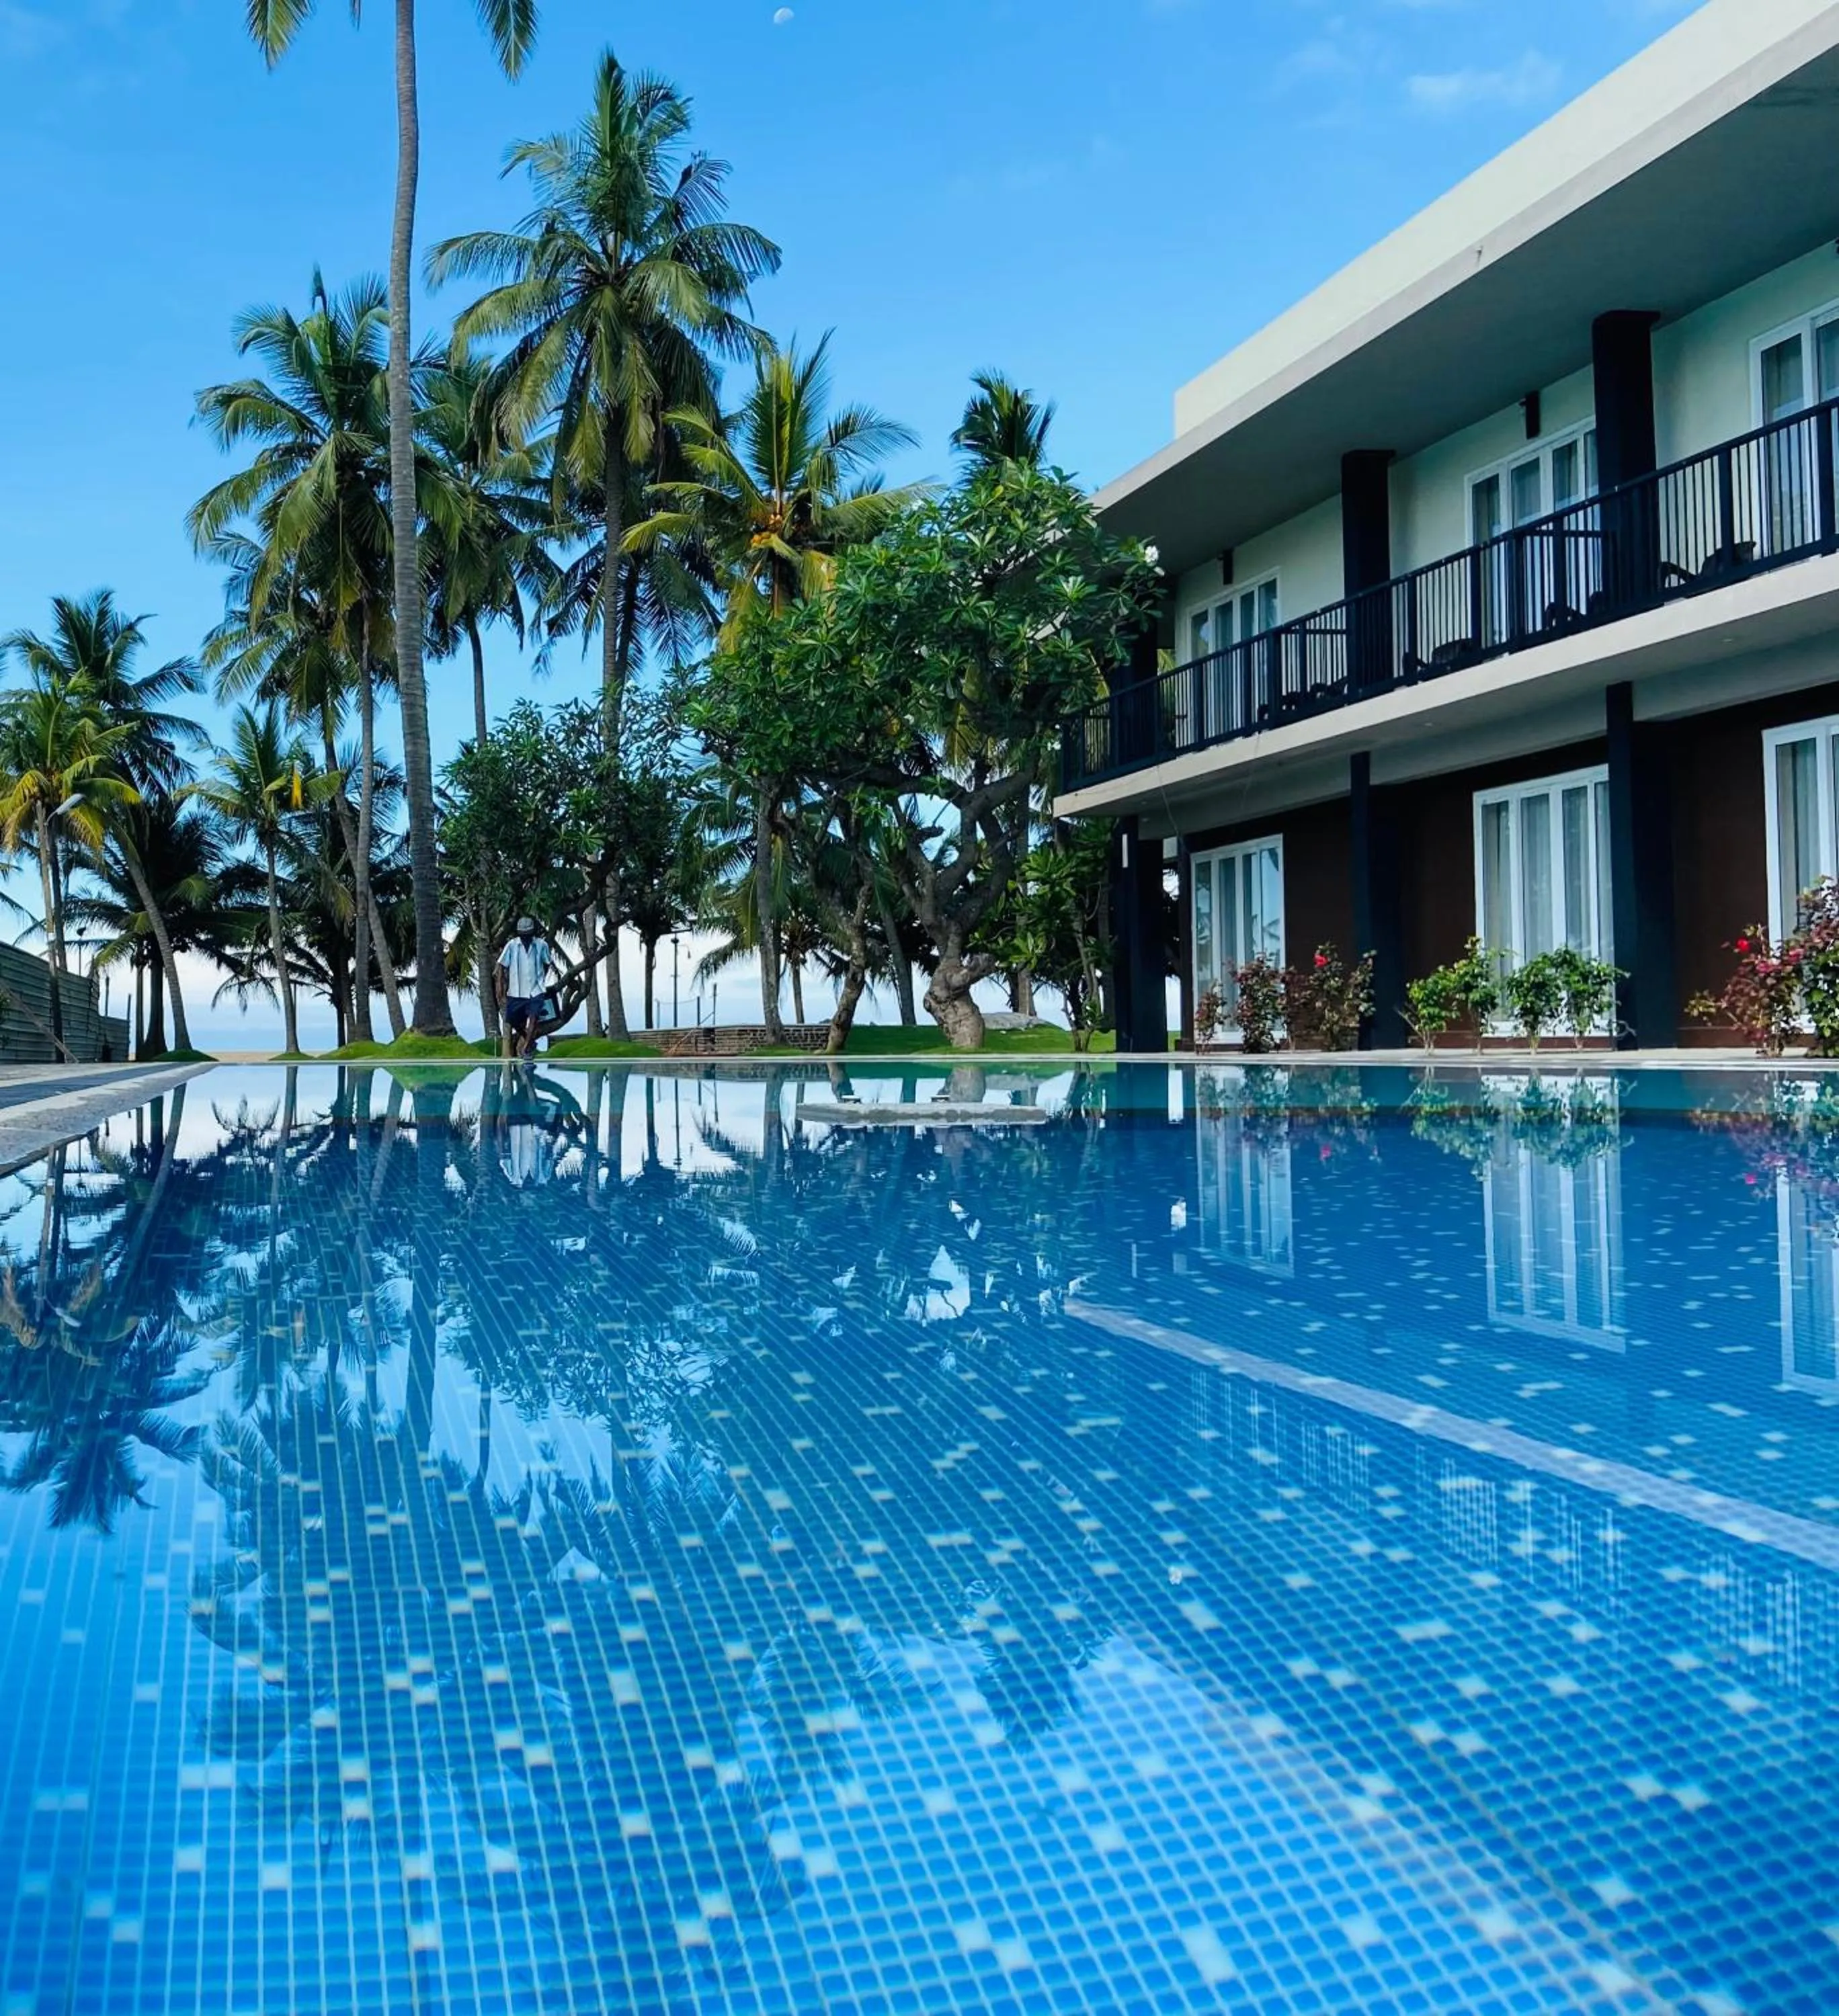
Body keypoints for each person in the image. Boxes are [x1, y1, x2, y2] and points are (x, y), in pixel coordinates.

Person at [496, 916, 557, 1058]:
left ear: (533, 933)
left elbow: (548, 962)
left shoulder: (542, 945)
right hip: (516, 991)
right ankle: (530, 1039)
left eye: (528, 935)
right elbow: (501, 965)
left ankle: (527, 1049)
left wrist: (541, 978)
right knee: (512, 1020)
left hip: (536, 990)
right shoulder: (512, 945)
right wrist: (500, 985)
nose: (525, 938)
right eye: (523, 935)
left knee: (534, 1017)